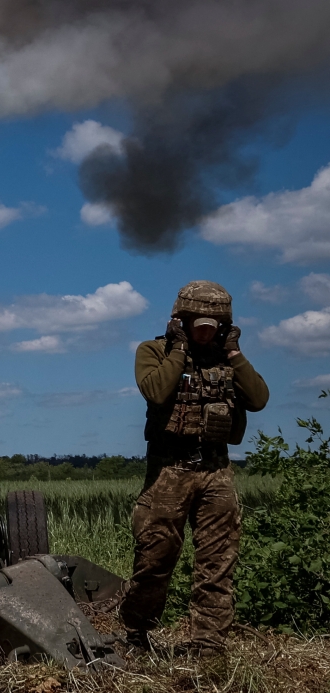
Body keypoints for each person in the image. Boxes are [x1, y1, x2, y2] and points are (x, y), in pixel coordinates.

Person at [119, 281, 269, 656]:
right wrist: (180, 350)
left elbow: (259, 399)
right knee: (155, 556)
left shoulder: (228, 358)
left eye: (213, 326)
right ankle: (137, 633)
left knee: (217, 560)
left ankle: (208, 643)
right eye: (197, 324)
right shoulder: (154, 350)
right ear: (180, 321)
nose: (206, 331)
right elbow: (156, 391)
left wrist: (234, 352)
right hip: (170, 469)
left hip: (216, 470)